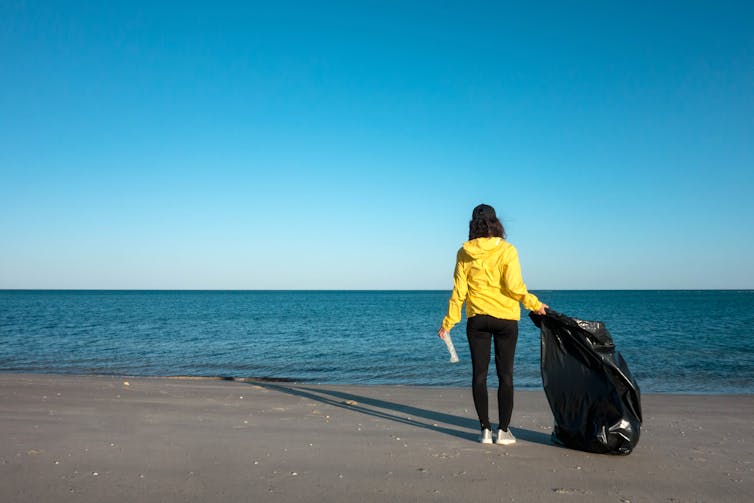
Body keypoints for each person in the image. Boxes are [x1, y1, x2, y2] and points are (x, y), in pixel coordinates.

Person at [438, 204, 547, 445]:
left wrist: (449, 323)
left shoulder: (464, 252)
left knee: (480, 375)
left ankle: (485, 430)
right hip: (506, 319)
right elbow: (514, 287)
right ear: (495, 222)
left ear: (473, 225)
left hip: (477, 320)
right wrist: (535, 304)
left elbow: (459, 292)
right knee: (505, 375)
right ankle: (504, 431)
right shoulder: (508, 250)